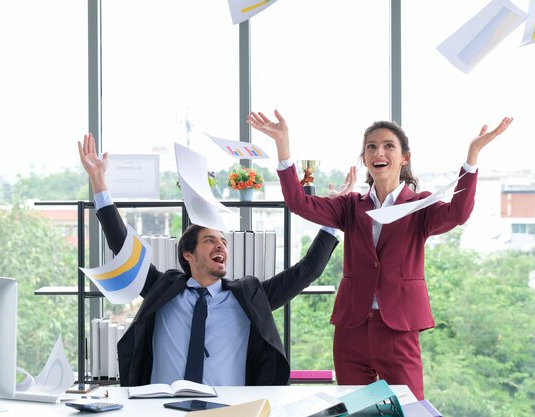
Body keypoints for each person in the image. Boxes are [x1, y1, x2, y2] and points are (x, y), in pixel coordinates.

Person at [247, 109, 513, 400]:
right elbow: (299, 203)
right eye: (371, 146)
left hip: (398, 330)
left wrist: (472, 155)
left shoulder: (420, 207)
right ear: (364, 159)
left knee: (409, 408)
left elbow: (459, 213)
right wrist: (283, 146)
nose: (378, 151)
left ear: (404, 158)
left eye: (388, 145)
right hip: (352, 329)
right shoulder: (350, 206)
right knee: (359, 410)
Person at [77, 132, 340, 387]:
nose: (220, 246)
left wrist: (333, 221)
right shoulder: (163, 288)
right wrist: (98, 181)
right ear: (187, 254)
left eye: (223, 242)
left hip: (227, 409)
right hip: (163, 408)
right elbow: (122, 246)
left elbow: (307, 270)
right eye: (210, 240)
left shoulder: (250, 295)